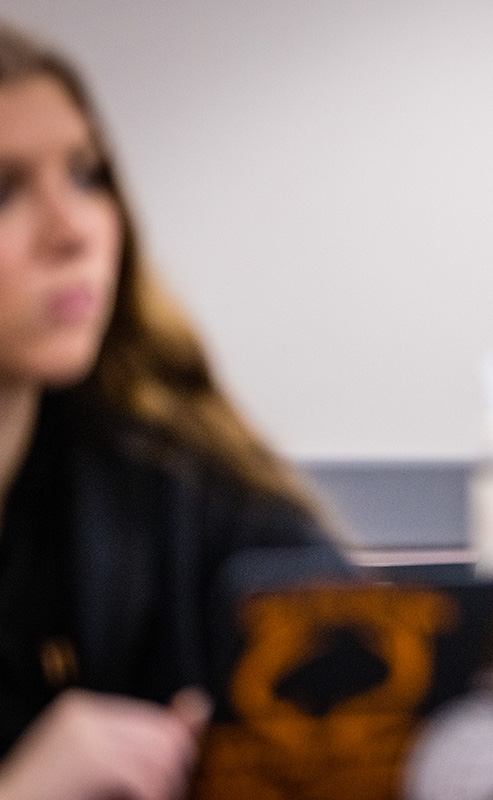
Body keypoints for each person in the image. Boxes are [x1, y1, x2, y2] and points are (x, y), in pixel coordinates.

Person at [0, 23, 343, 800]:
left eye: (86, 175)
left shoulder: (167, 472)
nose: (73, 228)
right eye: (4, 189)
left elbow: (347, 655)